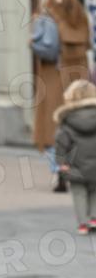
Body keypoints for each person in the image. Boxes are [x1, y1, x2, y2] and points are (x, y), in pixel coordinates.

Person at [32, 0, 91, 192]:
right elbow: (88, 43)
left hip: (53, 75)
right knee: (79, 122)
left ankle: (59, 172)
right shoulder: (80, 15)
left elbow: (41, 45)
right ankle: (80, 171)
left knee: (51, 125)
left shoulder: (48, 13)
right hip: (77, 77)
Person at [54, 79, 96, 235]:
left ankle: (83, 224)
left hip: (76, 166)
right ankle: (94, 218)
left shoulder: (67, 119)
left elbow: (61, 143)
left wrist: (61, 162)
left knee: (79, 193)